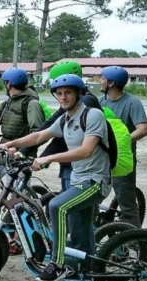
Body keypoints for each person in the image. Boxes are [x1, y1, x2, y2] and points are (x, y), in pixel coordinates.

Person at [0, 74, 112, 281]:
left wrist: (48, 158)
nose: (63, 97)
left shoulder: (92, 115)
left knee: (56, 206)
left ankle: (57, 263)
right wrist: (10, 144)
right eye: (59, 94)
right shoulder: (66, 120)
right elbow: (40, 135)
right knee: (80, 233)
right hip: (79, 181)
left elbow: (86, 151)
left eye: (68, 92)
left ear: (79, 93)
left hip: (95, 181)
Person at [33, 61, 101, 190]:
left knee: (69, 206)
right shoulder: (69, 105)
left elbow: (62, 138)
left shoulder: (85, 102)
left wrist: (45, 157)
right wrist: (21, 149)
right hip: (70, 162)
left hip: (85, 167)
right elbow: (48, 127)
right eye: (59, 92)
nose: (62, 96)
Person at [99, 66, 147, 227]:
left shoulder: (132, 103)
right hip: (101, 157)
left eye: (102, 78)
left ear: (111, 83)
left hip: (122, 158)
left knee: (126, 202)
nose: (100, 81)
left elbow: (143, 129)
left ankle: (134, 242)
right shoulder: (101, 101)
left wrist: (121, 140)